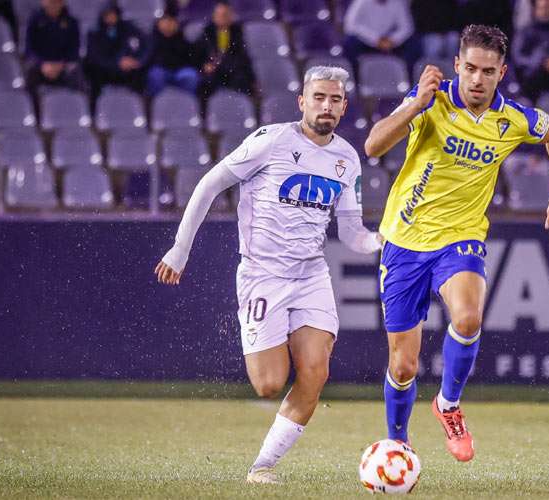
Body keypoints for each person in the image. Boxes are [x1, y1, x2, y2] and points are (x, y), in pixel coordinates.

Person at [155, 66, 382, 484]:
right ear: (302, 101)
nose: (326, 106)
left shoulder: (347, 159)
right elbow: (209, 184)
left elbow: (351, 232)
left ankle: (262, 468)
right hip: (263, 275)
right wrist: (180, 248)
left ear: (344, 106)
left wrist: (380, 242)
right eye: (318, 97)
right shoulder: (271, 140)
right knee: (268, 384)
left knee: (315, 372)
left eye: (334, 99)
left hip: (312, 276)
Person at [364, 24, 549, 462]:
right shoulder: (431, 102)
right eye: (471, 69)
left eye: (488, 71)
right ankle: (398, 442)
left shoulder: (512, 119)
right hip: (404, 241)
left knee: (468, 316)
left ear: (502, 73)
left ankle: (448, 404)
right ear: (457, 66)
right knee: (403, 366)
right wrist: (415, 104)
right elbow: (373, 145)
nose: (478, 79)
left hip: (461, 237)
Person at [85, 0, 150, 101]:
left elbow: (146, 43)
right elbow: (94, 56)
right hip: (106, 69)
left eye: (113, 14)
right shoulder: (95, 32)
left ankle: (140, 108)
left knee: (141, 75)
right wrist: (117, 62)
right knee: (92, 72)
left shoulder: (128, 27)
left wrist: (137, 60)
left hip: (126, 69)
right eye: (107, 14)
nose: (110, 17)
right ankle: (95, 111)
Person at [195, 1, 254, 99]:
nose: (221, 18)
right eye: (218, 15)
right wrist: (205, 65)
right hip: (214, 72)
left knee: (242, 80)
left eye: (225, 15)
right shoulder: (207, 32)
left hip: (233, 70)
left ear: (231, 16)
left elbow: (242, 56)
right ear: (214, 16)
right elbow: (198, 54)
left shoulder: (237, 32)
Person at [343, 0, 420, 74]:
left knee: (413, 44)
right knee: (350, 42)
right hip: (367, 41)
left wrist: (392, 40)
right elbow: (350, 25)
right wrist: (375, 39)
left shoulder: (397, 2)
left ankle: (409, 79)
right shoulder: (361, 2)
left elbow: (407, 27)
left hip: (390, 42)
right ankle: (355, 79)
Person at [24, 0, 84, 92]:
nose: (54, 5)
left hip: (63, 64)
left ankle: (73, 104)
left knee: (76, 73)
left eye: (57, 2)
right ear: (43, 2)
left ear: (63, 3)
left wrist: (61, 64)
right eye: (51, 2)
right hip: (41, 65)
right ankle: (33, 105)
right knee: (30, 73)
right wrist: (42, 64)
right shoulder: (34, 21)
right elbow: (29, 49)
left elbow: (74, 49)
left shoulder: (72, 22)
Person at [146, 6, 199, 96]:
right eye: (164, 21)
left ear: (176, 23)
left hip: (179, 70)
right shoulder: (151, 39)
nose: (167, 24)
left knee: (190, 76)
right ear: (158, 23)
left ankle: (187, 106)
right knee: (156, 75)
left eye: (171, 21)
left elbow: (191, 58)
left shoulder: (183, 38)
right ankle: (155, 105)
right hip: (161, 70)